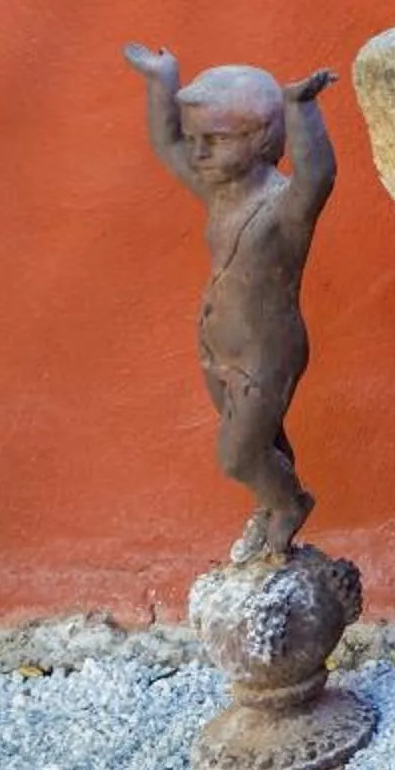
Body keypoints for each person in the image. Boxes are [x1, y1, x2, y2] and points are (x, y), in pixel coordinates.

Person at [123, 45, 338, 562]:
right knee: (258, 443)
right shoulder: (219, 191)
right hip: (217, 344)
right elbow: (166, 144)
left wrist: (300, 107)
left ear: (261, 138)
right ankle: (272, 503)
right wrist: (161, 82)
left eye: (214, 141)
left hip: (267, 352)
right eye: (197, 140)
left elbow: (318, 177)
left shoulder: (282, 207)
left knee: (237, 455)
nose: (197, 154)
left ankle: (288, 505)